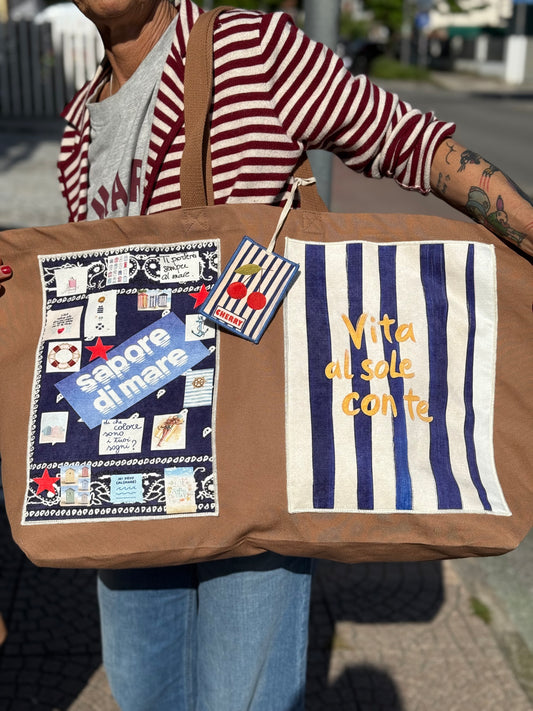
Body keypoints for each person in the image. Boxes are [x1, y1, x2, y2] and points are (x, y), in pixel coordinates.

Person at [0, 1, 531, 710]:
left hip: (256, 450)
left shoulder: (247, 47)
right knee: (143, 689)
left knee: (243, 697)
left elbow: (413, 143)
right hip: (124, 462)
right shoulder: (78, 124)